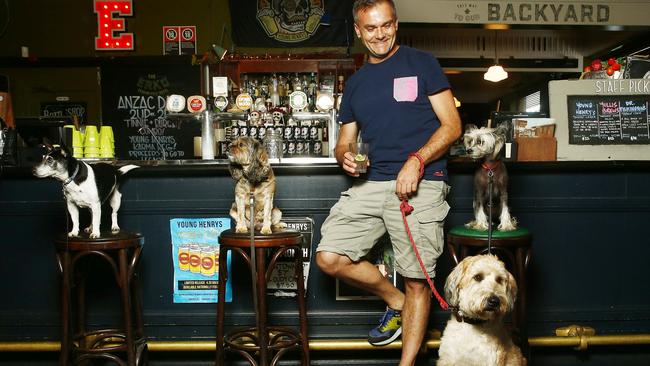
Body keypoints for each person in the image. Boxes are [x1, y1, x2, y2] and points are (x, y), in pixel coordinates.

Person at [315, 0, 462, 365]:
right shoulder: (357, 83)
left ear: (395, 24)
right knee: (329, 257)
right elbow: (345, 140)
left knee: (416, 279)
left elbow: (452, 125)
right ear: (358, 31)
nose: (379, 34)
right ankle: (394, 301)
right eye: (371, 28)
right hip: (373, 182)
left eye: (386, 25)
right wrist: (344, 155)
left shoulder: (421, 63)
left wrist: (417, 160)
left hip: (421, 180)